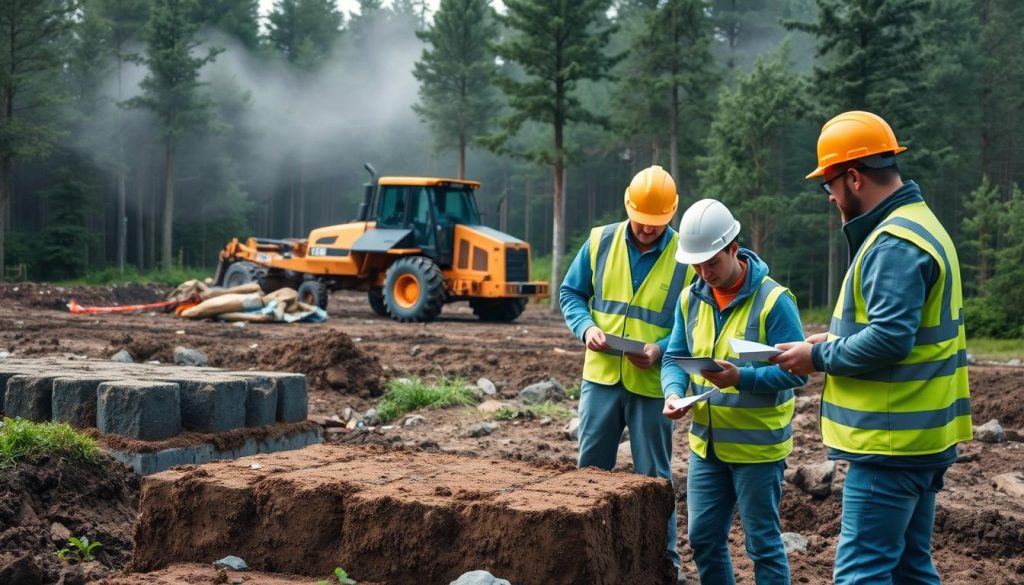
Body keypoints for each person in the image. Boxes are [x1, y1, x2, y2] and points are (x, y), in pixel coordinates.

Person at [772, 111, 972, 585]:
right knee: (909, 568)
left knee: (862, 573)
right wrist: (834, 341)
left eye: (830, 185)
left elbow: (890, 337)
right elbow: (901, 328)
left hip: (890, 445)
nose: (830, 197)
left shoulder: (892, 243)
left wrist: (816, 357)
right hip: (921, 438)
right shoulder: (921, 224)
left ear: (854, 177)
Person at [560, 165, 694, 581]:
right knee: (591, 472)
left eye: (658, 223)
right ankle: (582, 558)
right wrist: (586, 329)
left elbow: (693, 323)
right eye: (642, 221)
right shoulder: (599, 241)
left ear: (671, 215)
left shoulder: (686, 258)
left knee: (655, 477)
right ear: (628, 207)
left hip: (653, 383)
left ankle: (663, 562)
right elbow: (571, 293)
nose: (648, 230)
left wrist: (661, 349)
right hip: (601, 377)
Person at [661, 198, 806, 585]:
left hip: (758, 450)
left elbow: (797, 374)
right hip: (707, 448)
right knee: (704, 539)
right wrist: (673, 393)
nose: (704, 272)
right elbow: (674, 358)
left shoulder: (775, 301)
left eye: (712, 262)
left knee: (762, 546)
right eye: (696, 264)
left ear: (733, 249)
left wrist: (741, 379)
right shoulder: (690, 299)